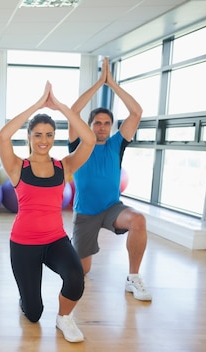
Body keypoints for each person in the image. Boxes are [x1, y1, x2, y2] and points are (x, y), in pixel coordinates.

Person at [0, 82, 95, 343]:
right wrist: (37, 104)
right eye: (38, 134)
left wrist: (61, 107)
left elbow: (90, 139)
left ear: (54, 137)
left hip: (55, 240)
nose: (44, 140)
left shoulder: (65, 166)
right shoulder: (18, 167)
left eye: (49, 135)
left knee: (76, 278)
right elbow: (3, 136)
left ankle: (64, 318)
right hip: (24, 244)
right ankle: (26, 297)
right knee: (33, 313)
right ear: (29, 137)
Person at [68, 57, 152, 301]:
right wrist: (98, 84)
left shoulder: (116, 144)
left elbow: (136, 112)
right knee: (82, 271)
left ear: (112, 126)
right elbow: (73, 112)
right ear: (90, 125)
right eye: (97, 123)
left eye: (107, 123)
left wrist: (112, 84)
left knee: (138, 220)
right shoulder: (80, 144)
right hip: (85, 213)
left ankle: (133, 278)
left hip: (113, 208)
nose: (102, 127)